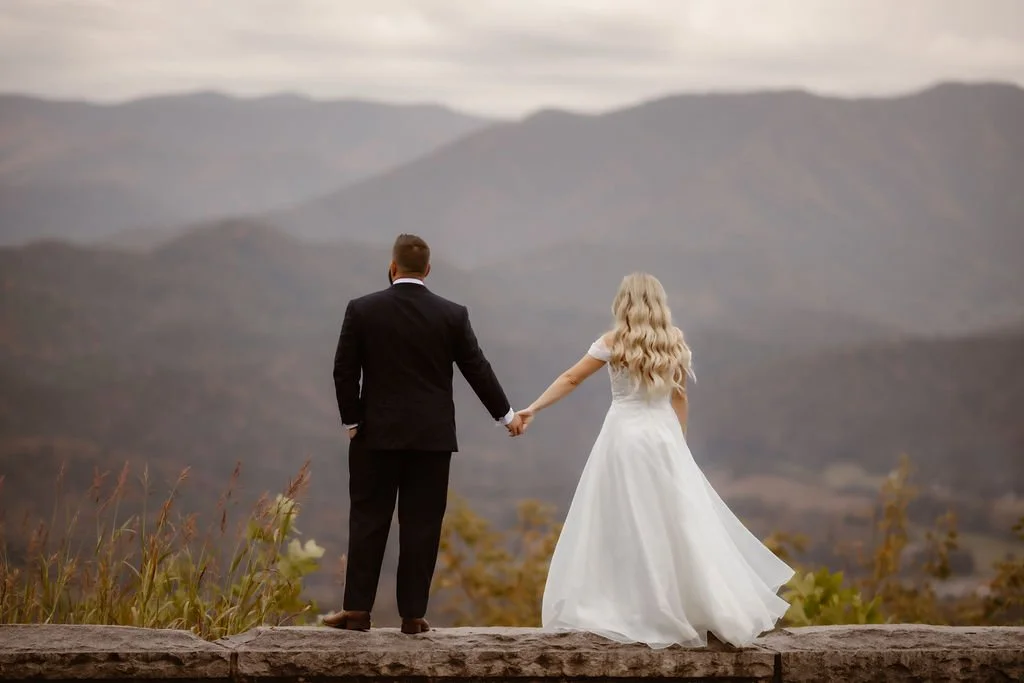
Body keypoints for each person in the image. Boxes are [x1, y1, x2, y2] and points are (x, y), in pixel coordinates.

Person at [517, 272, 794, 649]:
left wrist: (533, 408)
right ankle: (693, 604)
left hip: (623, 438)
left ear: (623, 303)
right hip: (662, 436)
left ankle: (631, 604)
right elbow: (679, 397)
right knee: (675, 520)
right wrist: (679, 442)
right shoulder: (674, 342)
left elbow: (571, 378)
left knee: (624, 520)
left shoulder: (613, 342)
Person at [323, 234, 524, 634]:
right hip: (432, 441)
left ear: (392, 267)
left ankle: (357, 612)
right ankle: (413, 617)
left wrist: (352, 422)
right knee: (422, 524)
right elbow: (476, 369)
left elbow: (344, 371)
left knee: (368, 519)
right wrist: (507, 415)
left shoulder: (362, 310)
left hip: (373, 437)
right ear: (428, 271)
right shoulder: (451, 315)